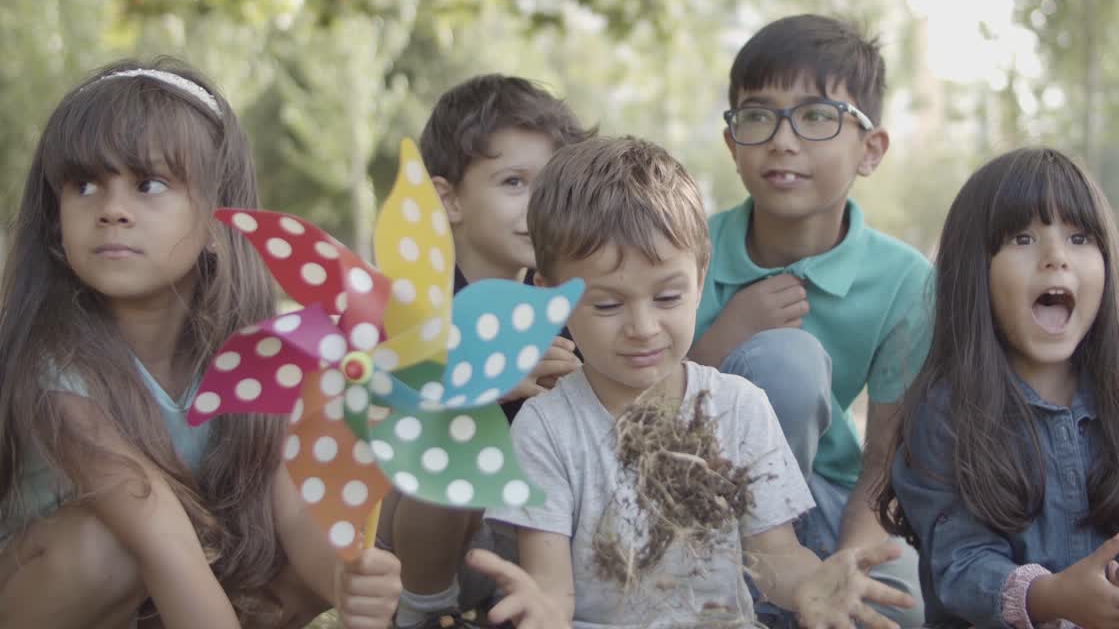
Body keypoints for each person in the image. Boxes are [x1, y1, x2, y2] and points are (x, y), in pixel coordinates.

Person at [0, 60, 401, 629]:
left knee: (287, 566)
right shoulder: (51, 367)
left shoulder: (262, 356)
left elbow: (296, 510)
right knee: (104, 549)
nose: (111, 209)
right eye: (85, 184)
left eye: (149, 184)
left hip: (164, 599)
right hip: (50, 593)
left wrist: (344, 580)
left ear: (217, 224)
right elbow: (158, 532)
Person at [488, 135, 916, 628]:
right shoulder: (545, 428)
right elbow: (551, 593)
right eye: (607, 305)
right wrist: (538, 612)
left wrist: (810, 584)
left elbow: (776, 556)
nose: (643, 327)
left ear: (701, 272)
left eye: (668, 297)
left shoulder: (739, 409)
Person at [876, 146, 1119, 628]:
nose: (1055, 258)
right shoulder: (945, 415)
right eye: (1023, 238)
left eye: (1080, 237)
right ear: (973, 273)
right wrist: (1055, 597)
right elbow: (961, 567)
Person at [689, 14, 929, 627]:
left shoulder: (904, 280)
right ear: (732, 143)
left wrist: (847, 564)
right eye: (758, 115)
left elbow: (882, 460)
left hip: (823, 501)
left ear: (870, 149)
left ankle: (782, 594)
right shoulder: (684, 253)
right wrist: (729, 335)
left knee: (897, 605)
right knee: (784, 362)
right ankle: (752, 589)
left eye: (818, 115)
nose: (783, 139)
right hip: (691, 507)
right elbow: (640, 411)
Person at [378, 74, 593, 629]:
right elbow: (384, 438)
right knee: (456, 428)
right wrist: (479, 388)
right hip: (421, 540)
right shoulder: (413, 306)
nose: (536, 206)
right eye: (514, 183)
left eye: (548, 187)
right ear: (447, 199)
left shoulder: (559, 300)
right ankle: (423, 613)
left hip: (535, 531)